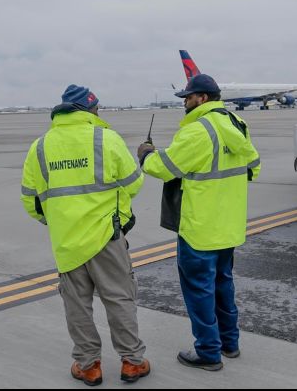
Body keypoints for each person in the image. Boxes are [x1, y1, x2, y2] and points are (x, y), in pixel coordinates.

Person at [21, 85, 150, 386]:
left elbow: (30, 200)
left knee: (76, 305)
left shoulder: (39, 147)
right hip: (107, 235)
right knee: (119, 299)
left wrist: (58, 221)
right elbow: (134, 183)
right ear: (90, 109)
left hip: (67, 242)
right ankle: (132, 362)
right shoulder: (106, 138)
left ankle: (89, 366)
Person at [137, 74, 260, 371]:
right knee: (223, 285)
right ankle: (230, 343)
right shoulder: (235, 125)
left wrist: (146, 156)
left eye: (187, 98)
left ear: (202, 98)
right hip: (228, 226)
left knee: (199, 290)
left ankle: (208, 352)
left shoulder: (197, 130)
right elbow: (253, 167)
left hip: (199, 228)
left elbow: (166, 168)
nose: (184, 102)